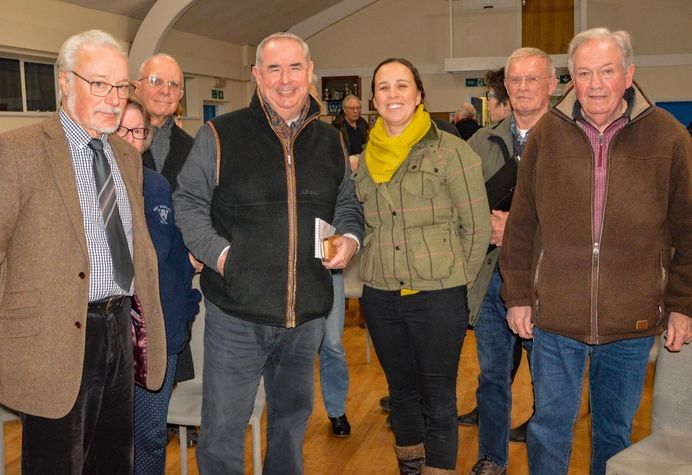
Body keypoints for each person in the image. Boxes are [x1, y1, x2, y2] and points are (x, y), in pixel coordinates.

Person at [501, 28, 692, 475]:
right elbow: (522, 226)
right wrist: (518, 296)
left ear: (629, 74)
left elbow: (688, 229)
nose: (595, 84)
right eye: (584, 73)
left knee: (613, 432)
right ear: (571, 78)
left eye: (607, 71)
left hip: (632, 319)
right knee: (548, 427)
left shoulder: (669, 138)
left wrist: (682, 303)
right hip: (555, 318)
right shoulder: (547, 134)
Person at [173, 32, 364, 474]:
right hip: (237, 316)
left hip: (306, 319)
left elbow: (346, 205)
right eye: (273, 69)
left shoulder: (330, 141)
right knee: (222, 432)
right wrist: (223, 258)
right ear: (257, 75)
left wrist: (350, 239)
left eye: (294, 67)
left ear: (310, 72)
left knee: (291, 426)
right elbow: (189, 202)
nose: (285, 79)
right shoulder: (220, 134)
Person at [0, 29, 166, 473]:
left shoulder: (126, 155)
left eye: (120, 86)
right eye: (98, 84)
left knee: (114, 462)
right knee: (58, 464)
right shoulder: (17, 151)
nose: (113, 98)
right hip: (54, 339)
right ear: (64, 82)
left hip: (120, 326)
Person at [355, 57, 490, 475]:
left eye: (401, 86)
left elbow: (477, 227)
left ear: (418, 96)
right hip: (380, 295)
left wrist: (456, 279)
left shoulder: (452, 152)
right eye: (383, 87)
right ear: (374, 99)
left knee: (438, 397)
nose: (392, 94)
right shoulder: (362, 161)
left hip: (438, 297)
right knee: (401, 394)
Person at [463, 48, 558, 475]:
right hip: (490, 281)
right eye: (514, 81)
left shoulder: (569, 140)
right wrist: (486, 225)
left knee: (549, 383)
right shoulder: (482, 140)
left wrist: (515, 229)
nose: (521, 88)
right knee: (492, 378)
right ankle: (492, 457)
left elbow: (578, 218)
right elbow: (460, 205)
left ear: (552, 85)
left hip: (547, 283)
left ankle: (545, 462)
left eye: (532, 79)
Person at [118, 98, 202, 474]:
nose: (131, 140)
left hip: (159, 336)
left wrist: (184, 313)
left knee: (150, 434)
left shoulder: (158, 187)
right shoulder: (88, 190)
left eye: (138, 132)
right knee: (110, 436)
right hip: (110, 335)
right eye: (122, 130)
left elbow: (176, 262)